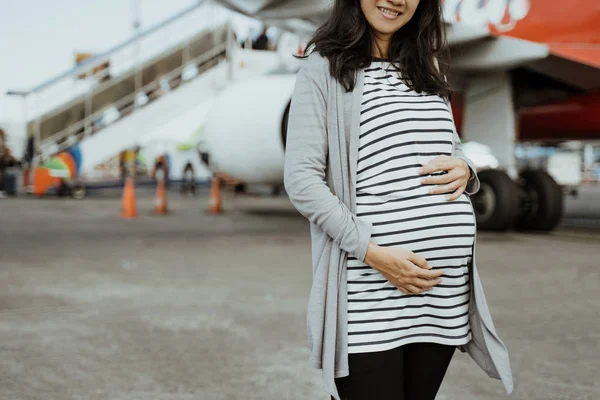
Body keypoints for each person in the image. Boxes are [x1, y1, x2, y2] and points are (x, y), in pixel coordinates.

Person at [283, 1, 513, 399]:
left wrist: (466, 168)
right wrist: (373, 253)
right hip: (369, 293)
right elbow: (302, 180)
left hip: (441, 298)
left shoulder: (427, 66)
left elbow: (448, 147)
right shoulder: (324, 67)